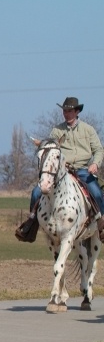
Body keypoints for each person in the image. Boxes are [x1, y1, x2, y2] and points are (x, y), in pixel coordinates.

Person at [15, 96, 104, 242]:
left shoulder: (88, 130)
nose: (66, 114)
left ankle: (101, 225)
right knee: (36, 192)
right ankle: (32, 223)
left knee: (97, 193)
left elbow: (99, 150)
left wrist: (95, 164)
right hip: (63, 171)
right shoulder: (57, 130)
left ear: (76, 112)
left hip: (82, 170)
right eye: (64, 111)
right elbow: (50, 150)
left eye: (69, 111)